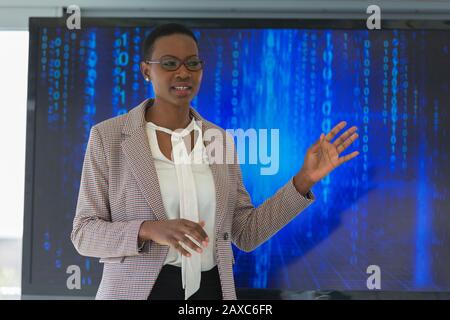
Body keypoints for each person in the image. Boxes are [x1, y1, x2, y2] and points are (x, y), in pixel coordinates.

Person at [71, 23, 360, 300]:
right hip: (139, 292)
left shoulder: (218, 139)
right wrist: (148, 229)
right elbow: (84, 233)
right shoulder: (109, 137)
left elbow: (246, 232)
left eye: (192, 63)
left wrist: (304, 180)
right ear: (146, 70)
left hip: (211, 292)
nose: (183, 72)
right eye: (170, 63)